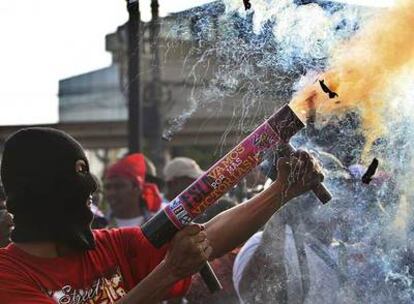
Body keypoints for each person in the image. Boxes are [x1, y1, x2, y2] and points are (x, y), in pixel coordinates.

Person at [0, 127, 322, 303]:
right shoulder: (7, 278)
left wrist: (279, 192)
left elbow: (209, 238)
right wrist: (169, 271)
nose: (92, 186)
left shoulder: (108, 246)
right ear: (42, 187)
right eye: (78, 171)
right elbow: (174, 266)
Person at [164, 157, 239, 303]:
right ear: (174, 183)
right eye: (192, 182)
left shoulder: (189, 212)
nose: (198, 187)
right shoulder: (160, 216)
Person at [104, 153, 163, 227]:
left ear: (137, 188)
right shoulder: (97, 226)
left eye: (118, 186)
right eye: (107, 187)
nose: (111, 193)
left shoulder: (158, 225)